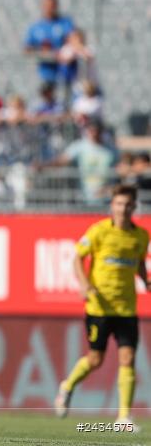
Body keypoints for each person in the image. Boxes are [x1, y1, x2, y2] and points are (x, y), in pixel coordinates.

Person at [54, 184, 148, 432]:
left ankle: (123, 418)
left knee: (127, 358)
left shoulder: (140, 236)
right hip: (99, 307)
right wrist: (84, 284)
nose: (123, 209)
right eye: (118, 203)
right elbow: (76, 257)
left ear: (134, 207)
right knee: (96, 359)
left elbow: (138, 262)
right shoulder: (98, 232)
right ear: (112, 205)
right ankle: (67, 386)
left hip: (126, 308)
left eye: (127, 205)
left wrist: (145, 279)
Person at [42, 120, 117, 205]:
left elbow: (121, 166)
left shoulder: (111, 149)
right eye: (91, 130)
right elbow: (62, 161)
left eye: (97, 131)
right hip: (84, 197)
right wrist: (44, 166)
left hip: (105, 198)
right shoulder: (80, 146)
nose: (94, 133)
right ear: (87, 131)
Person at [23, 0, 76, 93]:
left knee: (63, 103)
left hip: (64, 72)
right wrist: (43, 52)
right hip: (44, 71)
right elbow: (27, 48)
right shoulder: (36, 27)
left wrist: (65, 53)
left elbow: (73, 40)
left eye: (52, 5)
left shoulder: (64, 23)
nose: (49, 8)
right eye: (46, 5)